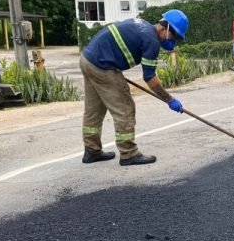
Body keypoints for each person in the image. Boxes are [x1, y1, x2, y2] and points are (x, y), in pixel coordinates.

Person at [80, 9, 189, 165]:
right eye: (175, 36)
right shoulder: (151, 41)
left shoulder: (143, 25)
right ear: (166, 28)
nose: (174, 40)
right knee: (125, 108)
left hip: (88, 59)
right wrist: (169, 100)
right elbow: (150, 78)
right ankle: (129, 153)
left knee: (94, 109)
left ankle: (92, 151)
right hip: (103, 65)